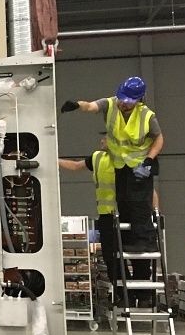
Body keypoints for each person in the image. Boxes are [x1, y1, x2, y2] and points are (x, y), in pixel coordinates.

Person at [60, 76, 162, 258]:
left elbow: (159, 139)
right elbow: (92, 106)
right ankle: (130, 241)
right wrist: (77, 105)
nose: (123, 103)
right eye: (122, 98)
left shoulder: (146, 115)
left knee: (139, 204)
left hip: (140, 165)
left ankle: (145, 242)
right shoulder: (110, 104)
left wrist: (148, 160)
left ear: (138, 99)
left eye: (128, 101)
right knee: (124, 202)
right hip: (120, 165)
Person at [60, 135, 121, 293]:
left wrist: (155, 212)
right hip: (106, 215)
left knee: (127, 254)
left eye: (105, 138)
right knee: (110, 256)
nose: (101, 141)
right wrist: (53, 160)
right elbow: (75, 166)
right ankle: (122, 292)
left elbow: (146, 189)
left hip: (124, 214)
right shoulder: (98, 157)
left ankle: (138, 294)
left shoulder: (126, 159)